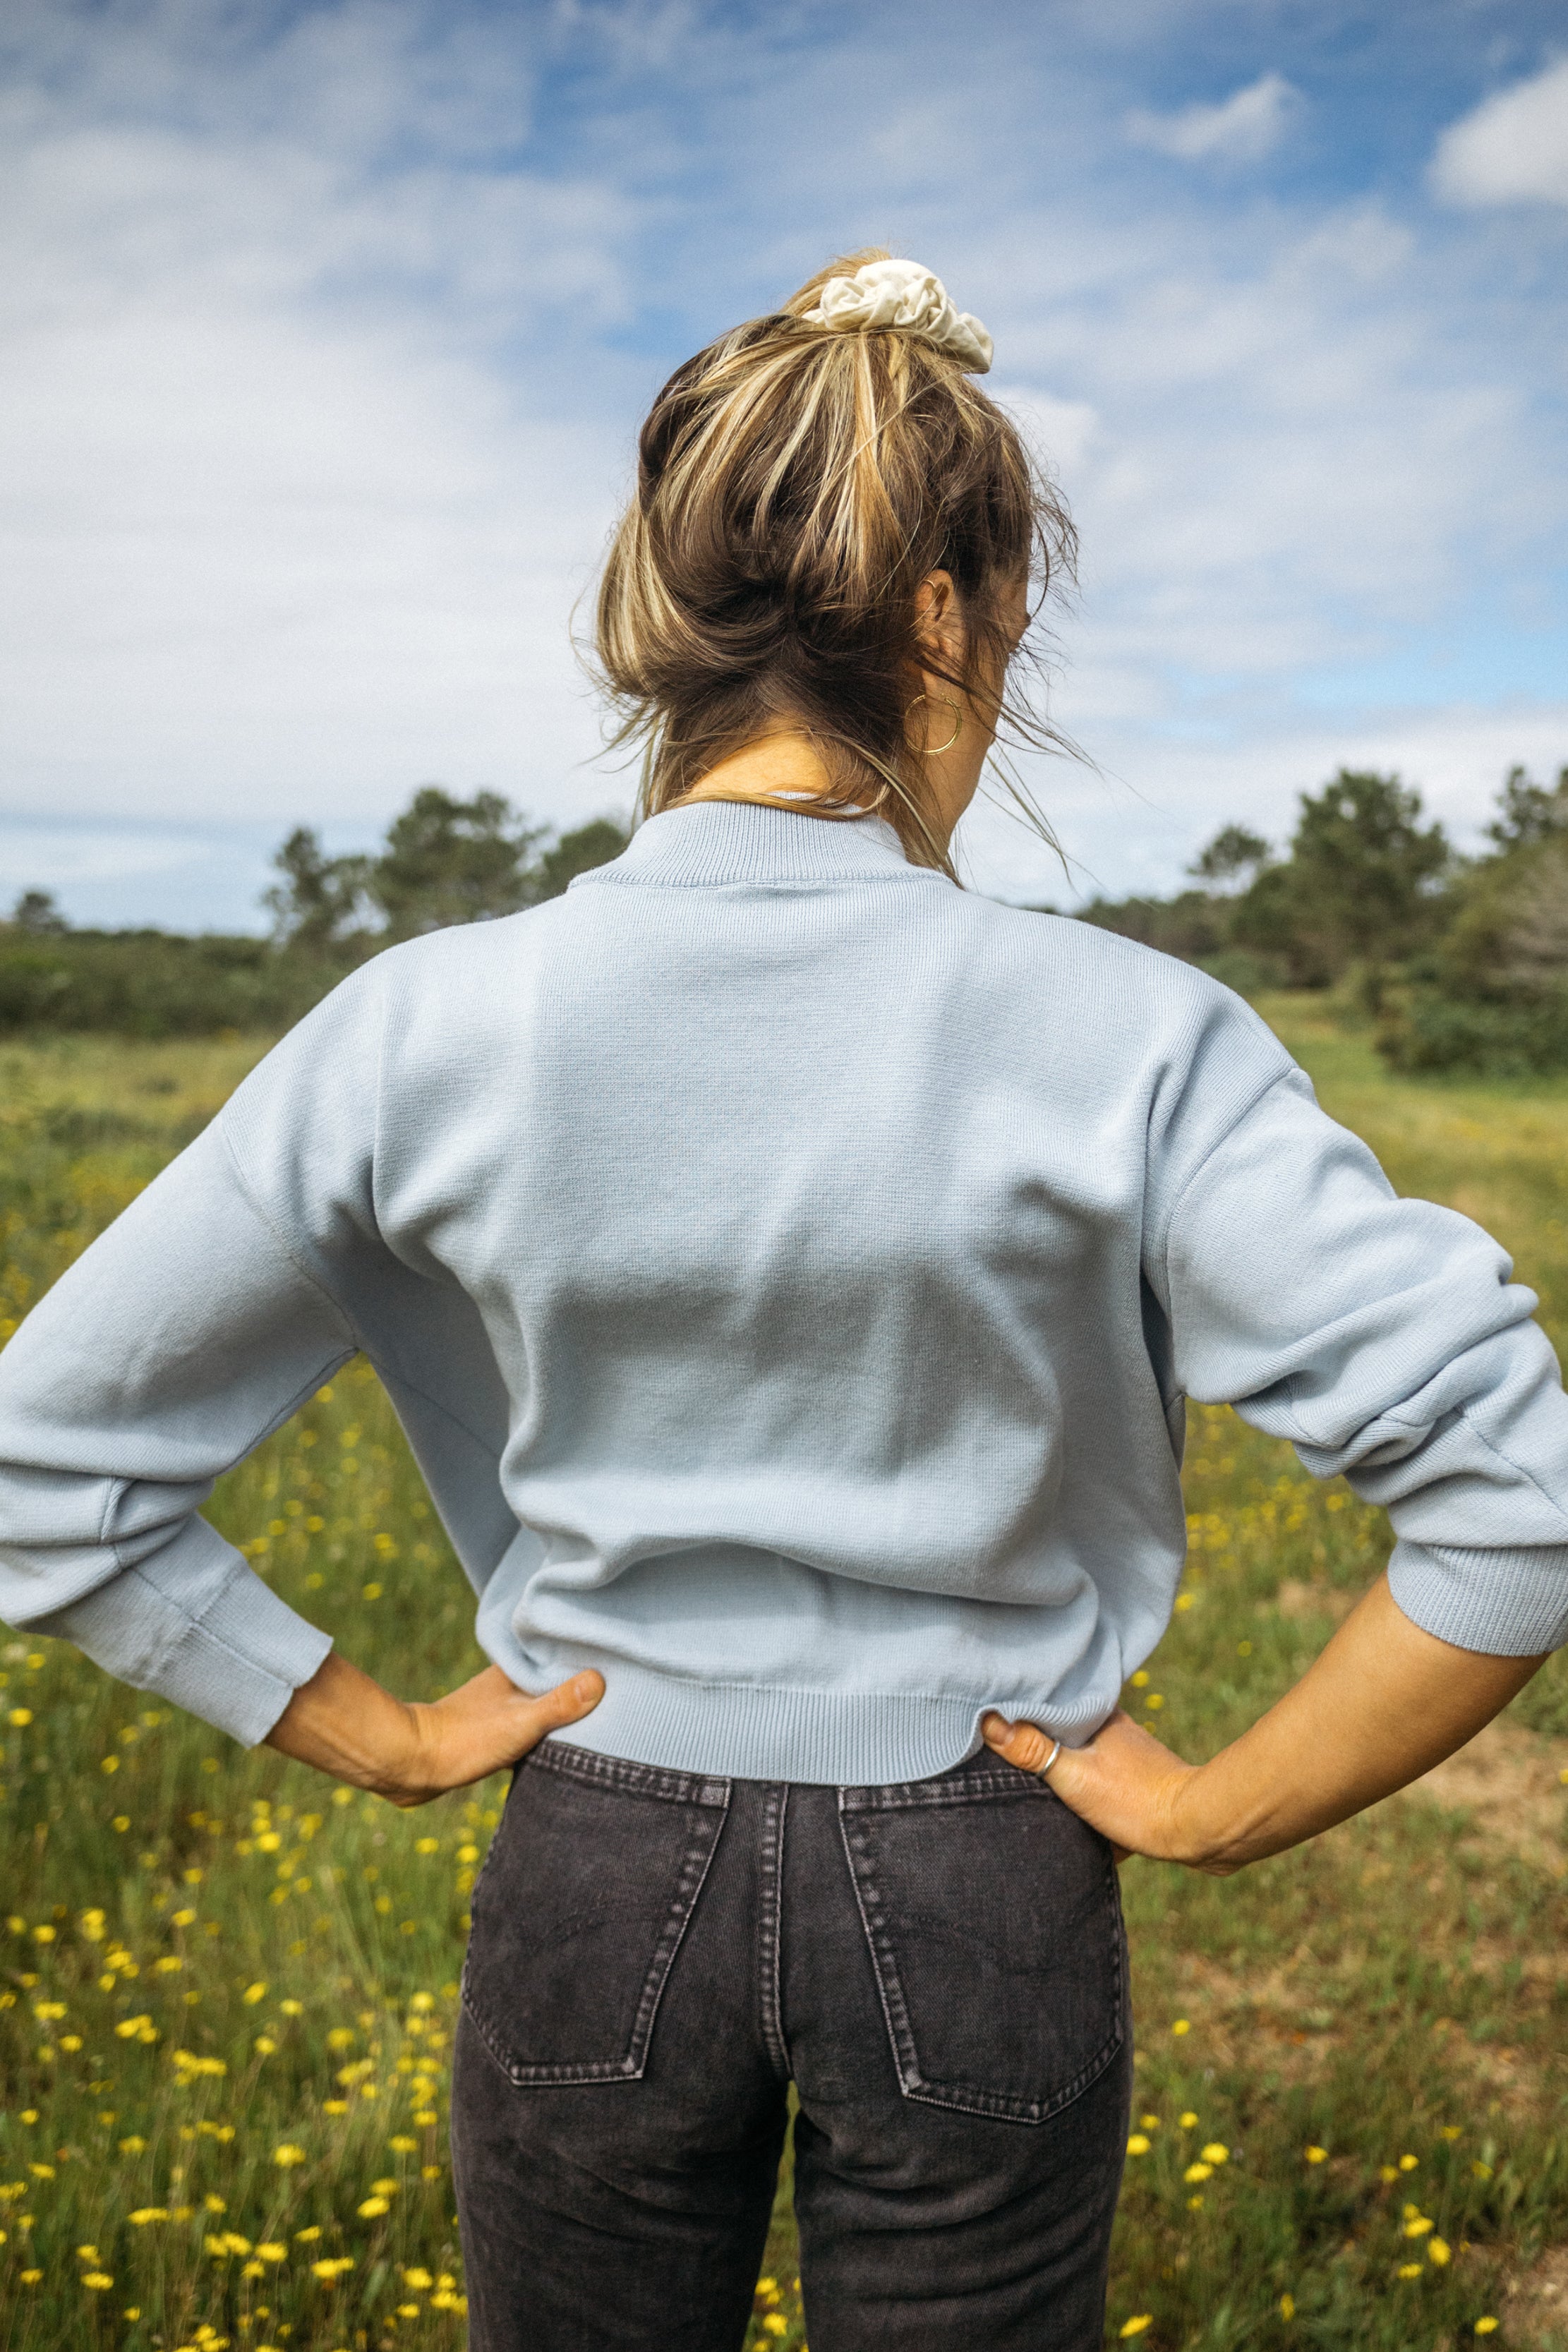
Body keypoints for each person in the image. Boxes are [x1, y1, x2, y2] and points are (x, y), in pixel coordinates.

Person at [0, 250, 1564, 2352]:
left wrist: (367, 1732)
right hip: (986, 1866)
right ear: (946, 611)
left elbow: (43, 1469)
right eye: (1009, 620)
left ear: (671, 619)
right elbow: (1519, 1494)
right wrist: (1215, 1807)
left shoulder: (421, 1027)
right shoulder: (1133, 1036)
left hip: (590, 1851)